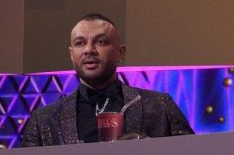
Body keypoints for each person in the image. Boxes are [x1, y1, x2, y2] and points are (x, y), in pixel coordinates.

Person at [17, 14, 193, 147]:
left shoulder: (160, 106)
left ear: (120, 52)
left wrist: (149, 152)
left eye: (101, 42)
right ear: (71, 54)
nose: (89, 50)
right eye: (80, 43)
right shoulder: (44, 119)